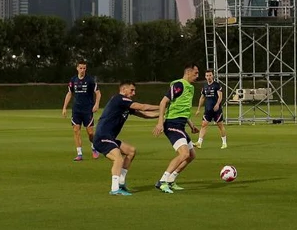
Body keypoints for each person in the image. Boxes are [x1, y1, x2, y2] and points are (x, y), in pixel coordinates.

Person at [93, 81, 161, 196]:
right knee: (118, 158)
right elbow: (142, 107)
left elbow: (145, 114)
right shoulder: (119, 99)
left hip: (110, 138)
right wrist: (162, 105)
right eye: (132, 90)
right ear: (123, 89)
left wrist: (162, 113)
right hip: (102, 137)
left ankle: (121, 183)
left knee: (131, 151)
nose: (134, 93)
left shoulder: (125, 105)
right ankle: (115, 189)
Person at [154, 65, 202, 194]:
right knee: (184, 154)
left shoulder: (190, 88)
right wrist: (160, 123)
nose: (197, 76)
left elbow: (182, 109)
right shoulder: (179, 85)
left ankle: (171, 180)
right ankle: (162, 181)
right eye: (196, 73)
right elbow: (163, 102)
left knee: (191, 155)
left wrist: (191, 124)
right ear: (188, 72)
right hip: (172, 124)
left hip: (181, 125)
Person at [61, 61, 102, 161]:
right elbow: (69, 93)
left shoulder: (90, 80)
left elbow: (98, 93)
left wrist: (96, 104)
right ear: (77, 68)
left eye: (84, 68)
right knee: (76, 131)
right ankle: (79, 154)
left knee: (90, 133)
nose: (82, 70)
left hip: (87, 110)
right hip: (76, 110)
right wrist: (64, 107)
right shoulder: (73, 80)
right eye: (81, 68)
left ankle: (94, 147)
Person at [194, 69, 228, 149]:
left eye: (210, 75)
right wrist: (198, 109)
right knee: (203, 125)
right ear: (205, 77)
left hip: (216, 110)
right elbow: (202, 98)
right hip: (208, 109)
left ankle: (224, 142)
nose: (209, 77)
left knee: (220, 125)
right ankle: (199, 142)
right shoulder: (205, 86)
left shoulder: (217, 85)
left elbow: (220, 96)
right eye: (207, 76)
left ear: (212, 76)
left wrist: (217, 104)